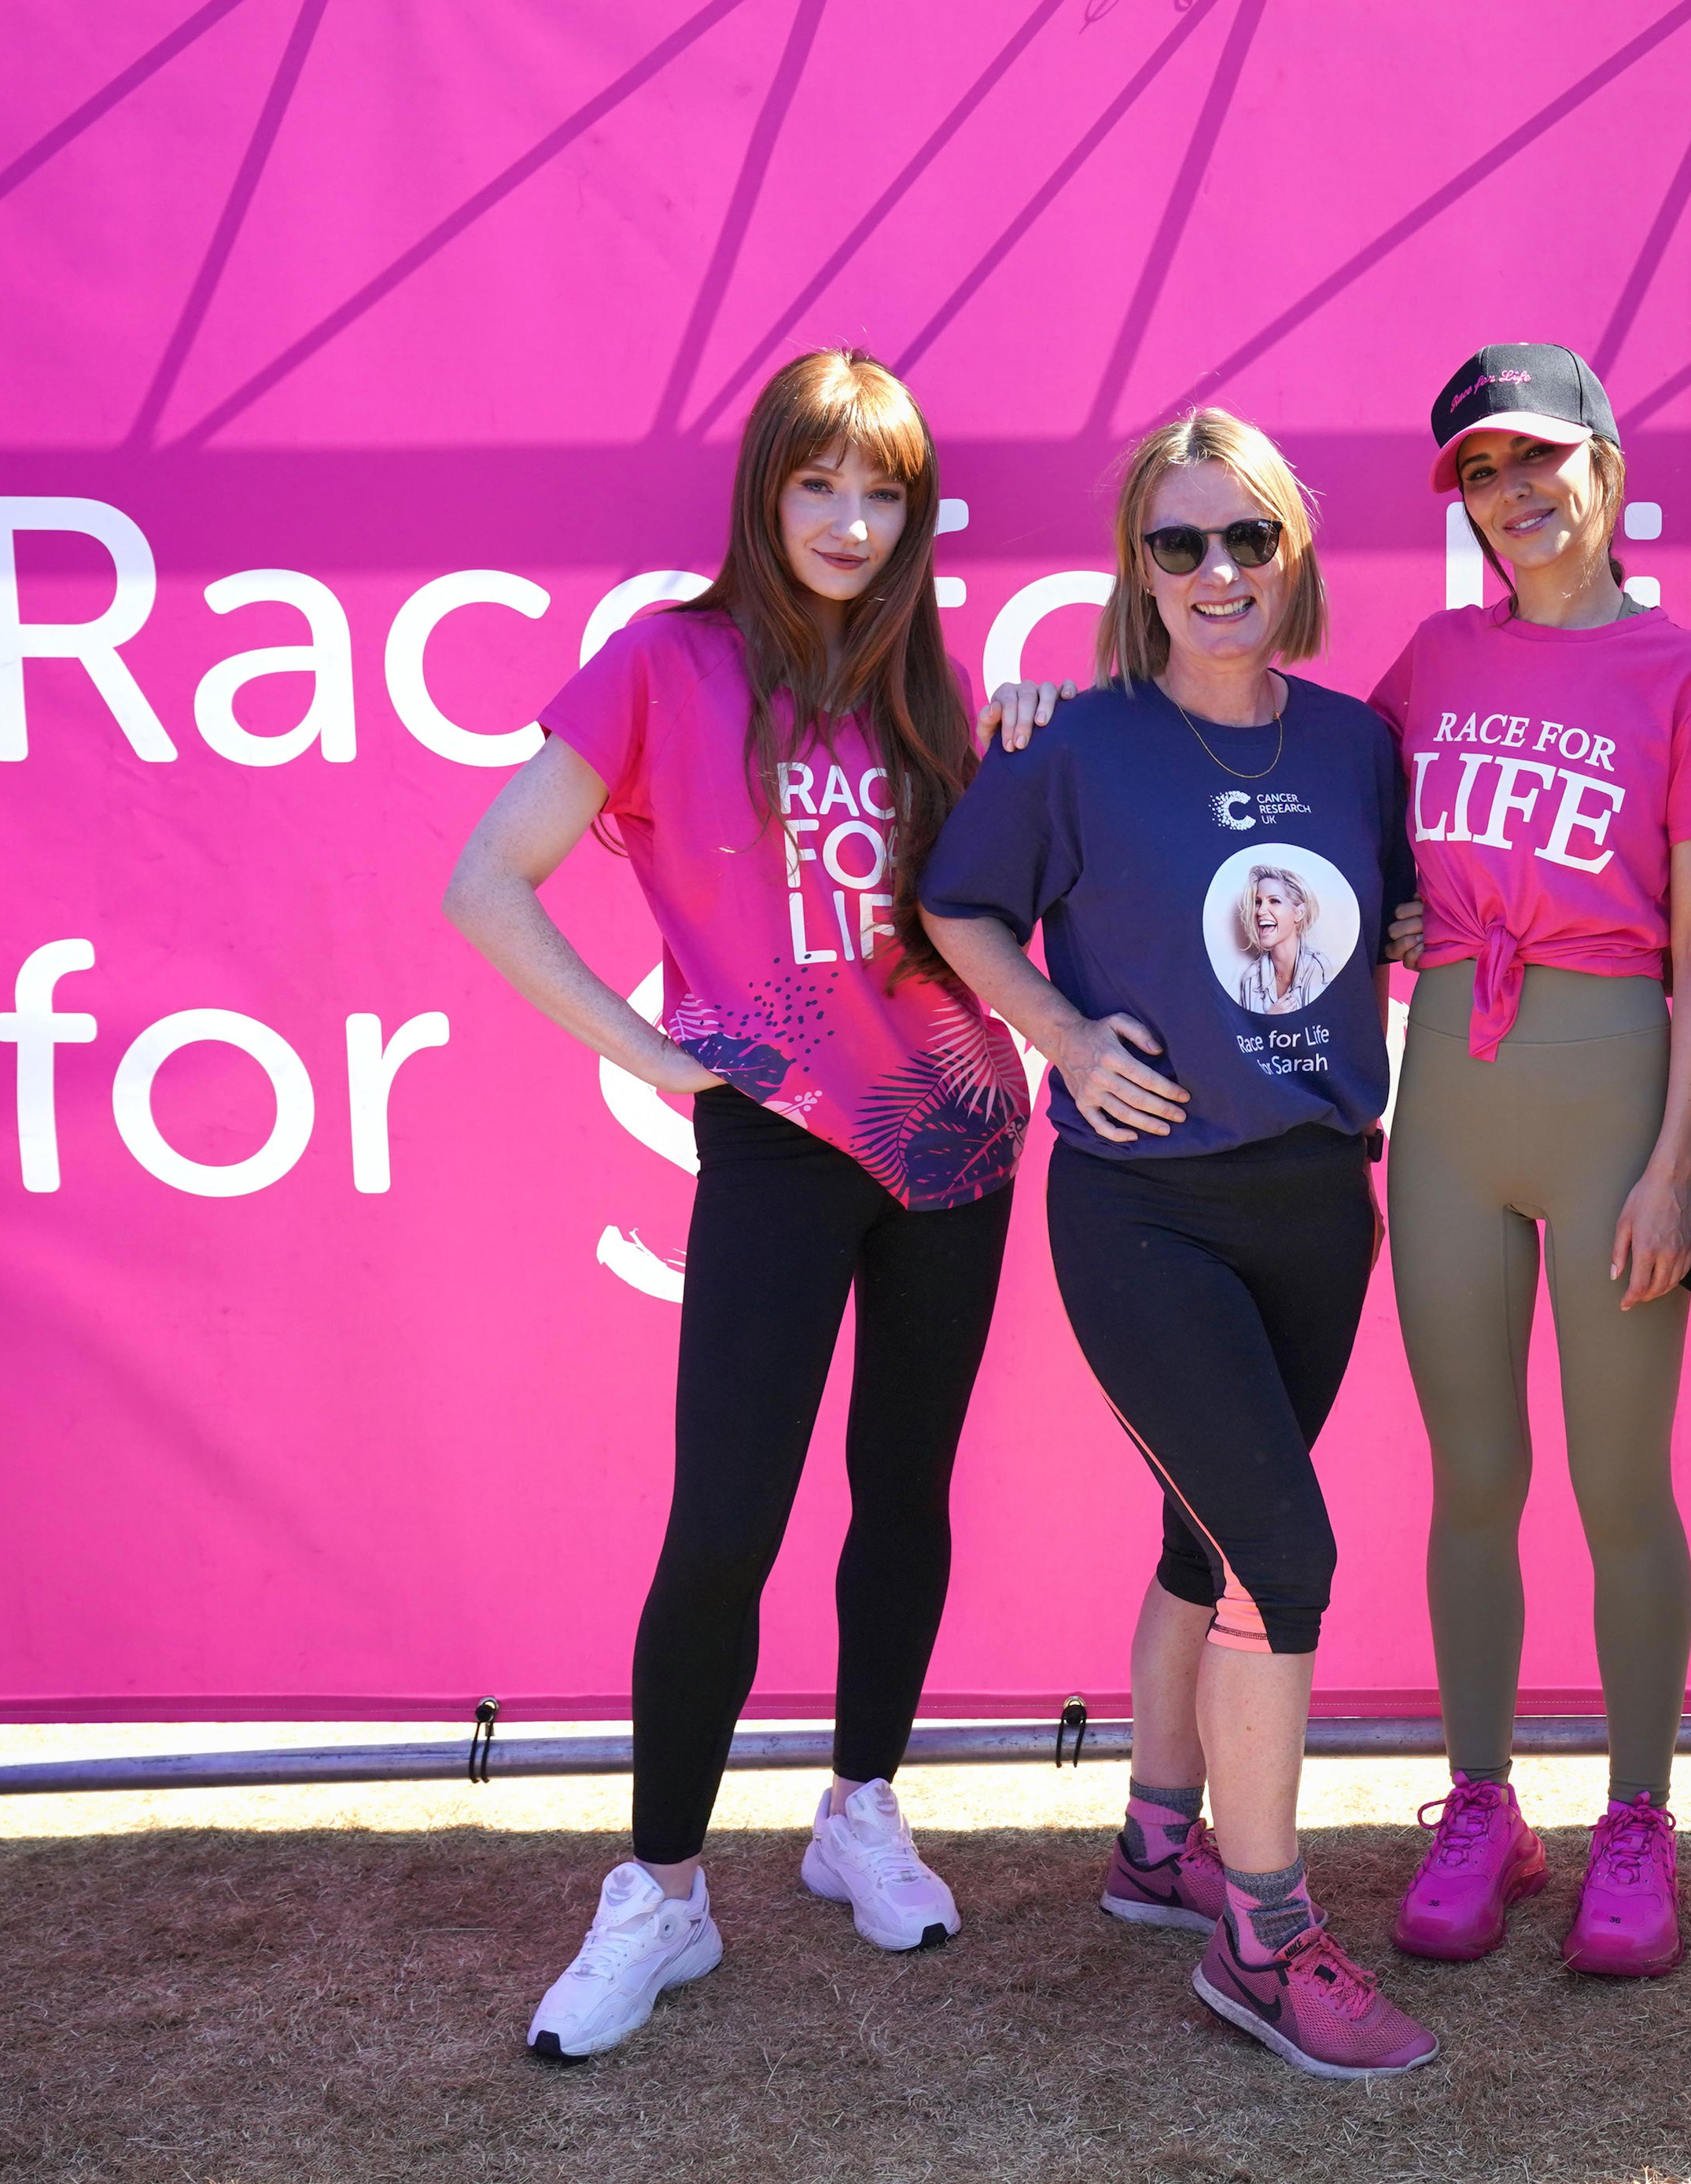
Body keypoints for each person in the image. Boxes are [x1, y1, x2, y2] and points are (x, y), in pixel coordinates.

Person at [445, 349, 1022, 2061]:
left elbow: (985, 917)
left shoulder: (933, 679)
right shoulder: (661, 662)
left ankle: (859, 1805)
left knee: (902, 1491)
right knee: (725, 1523)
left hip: (957, 1133)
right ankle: (662, 1889)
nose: (852, 523)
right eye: (819, 483)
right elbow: (485, 879)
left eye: (884, 492)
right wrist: (657, 1053)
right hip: (775, 1135)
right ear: (765, 488)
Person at [917, 408, 1440, 2080]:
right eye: (1177, 543)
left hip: (1313, 1197)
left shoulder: (1358, 743)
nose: (1215, 572)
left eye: (1245, 540)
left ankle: (1158, 1839)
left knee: (1205, 1538)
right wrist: (1063, 1038)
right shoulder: (1067, 743)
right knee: (1284, 1558)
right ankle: (1262, 1932)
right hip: (1140, 1206)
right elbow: (955, 905)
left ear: (1289, 555)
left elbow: (1403, 911)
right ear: (1136, 570)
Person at [1370, 343, 1691, 1976]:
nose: (1510, 496)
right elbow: (1318, 819)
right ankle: (1479, 1801)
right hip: (1447, 1098)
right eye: (1476, 473)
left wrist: (1671, 1163)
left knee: (1615, 1484)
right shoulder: (1431, 656)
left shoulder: (1684, 670)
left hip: (1607, 1098)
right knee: (1470, 1475)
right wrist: (1372, 912)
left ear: (1603, 461)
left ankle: (1638, 1814)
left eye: (1535, 460)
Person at [1231, 865, 1335, 1014]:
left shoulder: (1320, 969)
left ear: (1299, 913)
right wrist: (1271, 1017)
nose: (1260, 911)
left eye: (1274, 901)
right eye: (1258, 902)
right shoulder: (1251, 979)